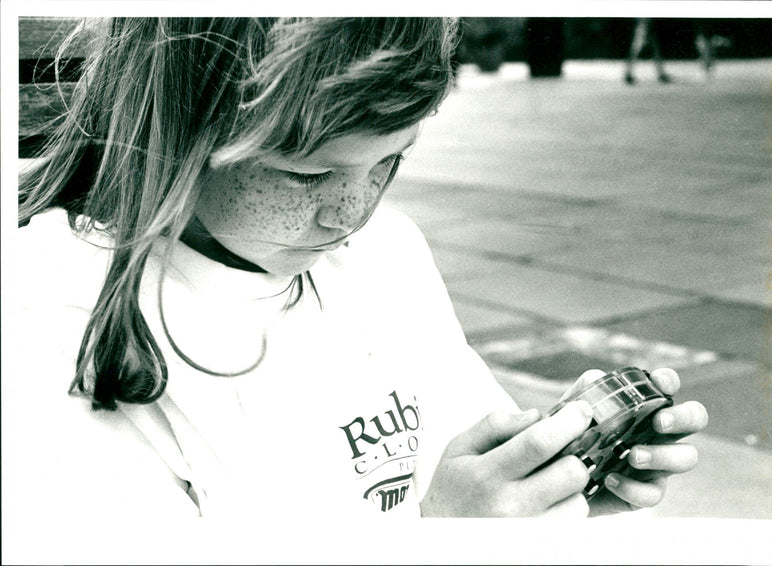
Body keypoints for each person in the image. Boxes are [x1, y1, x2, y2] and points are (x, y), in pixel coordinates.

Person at [9, 17, 707, 521]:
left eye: (389, 162)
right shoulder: (55, 329)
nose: (351, 214)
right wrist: (439, 536)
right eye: (305, 174)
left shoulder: (387, 252)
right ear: (172, 130)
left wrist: (546, 485)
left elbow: (460, 446)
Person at [624, 18, 671, 85]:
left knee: (655, 53)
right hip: (642, 28)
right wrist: (644, 30)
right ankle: (628, 74)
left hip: (646, 28)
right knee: (635, 53)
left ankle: (661, 74)